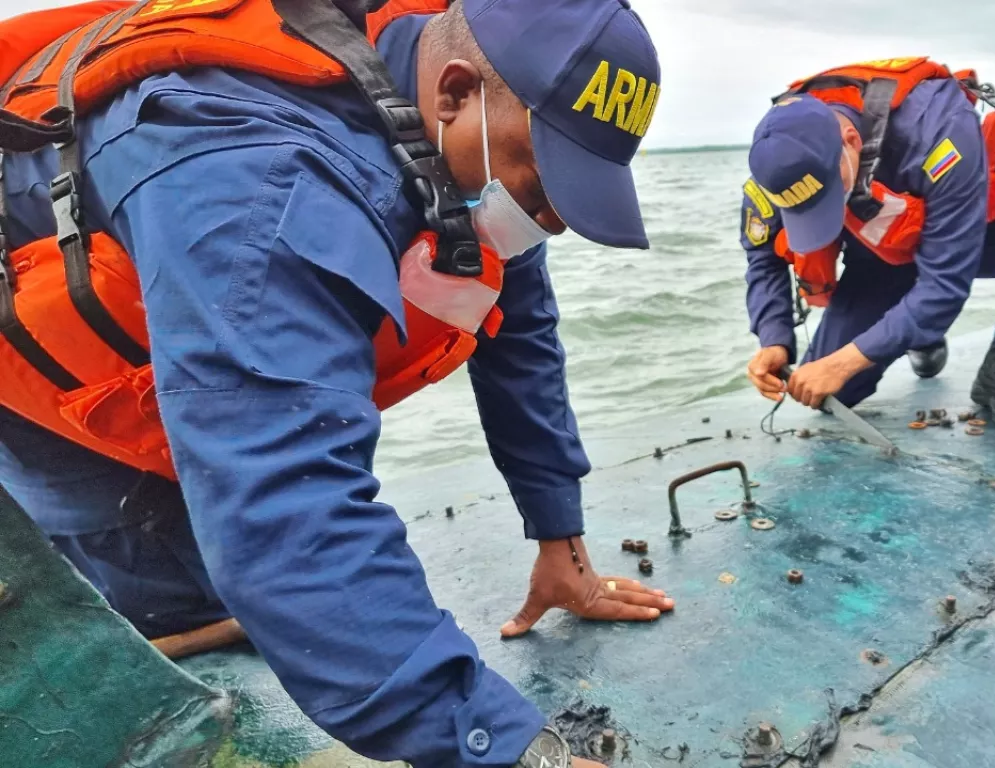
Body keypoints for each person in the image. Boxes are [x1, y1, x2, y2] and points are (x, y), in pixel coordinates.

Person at [0, 0, 671, 765]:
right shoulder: (258, 179)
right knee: (176, 622)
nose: (548, 220)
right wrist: (511, 750)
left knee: (276, 590)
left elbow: (518, 334)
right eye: (546, 180)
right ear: (453, 94)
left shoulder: (464, 147)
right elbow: (286, 505)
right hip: (56, 390)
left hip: (203, 325)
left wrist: (561, 540)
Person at [740, 58, 995, 431]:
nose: (823, 208)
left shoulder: (936, 126)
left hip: (964, 234)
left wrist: (843, 363)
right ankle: (915, 329)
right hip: (882, 254)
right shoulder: (778, 159)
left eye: (829, 193)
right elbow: (763, 259)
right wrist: (775, 339)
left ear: (851, 141)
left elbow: (945, 281)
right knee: (829, 398)